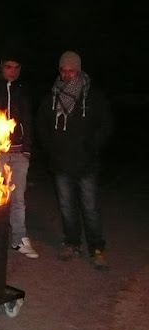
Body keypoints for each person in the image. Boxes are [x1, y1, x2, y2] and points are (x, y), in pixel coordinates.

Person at [36, 50, 112, 270]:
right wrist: (51, 148)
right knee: (67, 207)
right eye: (64, 71)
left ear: (78, 71)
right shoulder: (52, 95)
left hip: (87, 162)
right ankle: (72, 242)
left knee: (89, 207)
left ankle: (96, 248)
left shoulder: (93, 95)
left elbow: (106, 124)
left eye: (72, 71)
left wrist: (93, 146)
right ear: (60, 71)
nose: (68, 75)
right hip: (61, 162)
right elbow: (42, 124)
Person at [0, 53, 38, 259]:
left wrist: (28, 148)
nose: (12, 71)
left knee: (18, 198)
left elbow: (29, 120)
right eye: (8, 67)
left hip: (19, 152)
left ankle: (19, 239)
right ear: (1, 67)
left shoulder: (23, 90)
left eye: (16, 67)